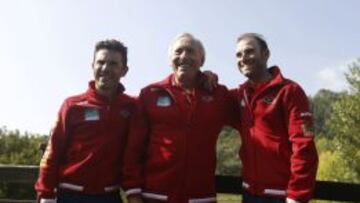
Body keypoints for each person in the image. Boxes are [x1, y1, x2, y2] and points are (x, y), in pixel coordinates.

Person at [122, 33, 238, 203]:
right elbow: (134, 148)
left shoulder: (219, 95)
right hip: (155, 196)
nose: (184, 56)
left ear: (202, 60)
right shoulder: (149, 94)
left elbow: (252, 115)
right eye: (178, 52)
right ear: (170, 60)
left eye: (190, 51)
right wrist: (133, 193)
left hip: (201, 198)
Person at [35, 39, 136, 203]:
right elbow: (52, 153)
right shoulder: (72, 105)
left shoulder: (133, 107)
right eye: (101, 62)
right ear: (92, 66)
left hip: (110, 197)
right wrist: (46, 195)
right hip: (69, 195)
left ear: (124, 70)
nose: (105, 68)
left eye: (113, 64)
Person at [232, 33, 318, 203]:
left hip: (281, 196)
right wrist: (205, 76)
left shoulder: (290, 91)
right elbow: (211, 98)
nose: (243, 58)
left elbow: (304, 146)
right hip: (249, 194)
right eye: (239, 54)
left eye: (249, 51)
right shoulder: (239, 95)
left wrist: (297, 196)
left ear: (266, 54)